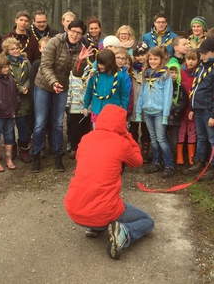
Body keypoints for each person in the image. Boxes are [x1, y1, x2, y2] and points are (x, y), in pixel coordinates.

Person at [64, 104, 154, 260]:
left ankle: (93, 227)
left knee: (96, 192)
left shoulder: (86, 138)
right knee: (148, 221)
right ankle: (124, 233)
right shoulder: (121, 142)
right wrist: (127, 135)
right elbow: (138, 161)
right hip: (104, 210)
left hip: (74, 208)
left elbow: (80, 160)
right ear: (121, 123)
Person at [32, 20, 93, 173]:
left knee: (58, 123)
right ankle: (36, 155)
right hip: (44, 85)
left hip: (62, 86)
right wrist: (53, 82)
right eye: (73, 31)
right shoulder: (54, 42)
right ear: (67, 30)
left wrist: (81, 60)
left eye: (79, 33)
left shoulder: (81, 48)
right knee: (40, 122)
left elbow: (77, 73)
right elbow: (45, 65)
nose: (75, 35)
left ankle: (58, 155)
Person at [183, 38, 214, 179]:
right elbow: (195, 89)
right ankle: (199, 161)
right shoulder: (200, 68)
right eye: (201, 53)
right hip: (198, 109)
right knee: (201, 137)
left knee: (213, 139)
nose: (203, 56)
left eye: (206, 53)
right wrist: (192, 108)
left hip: (208, 111)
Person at [135, 46, 174, 178]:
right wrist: (139, 111)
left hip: (159, 112)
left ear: (161, 59)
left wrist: (165, 115)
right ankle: (157, 162)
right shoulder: (146, 73)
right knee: (153, 139)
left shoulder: (165, 74)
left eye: (155, 59)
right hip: (147, 111)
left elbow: (168, 95)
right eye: (150, 59)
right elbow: (142, 93)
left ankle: (169, 165)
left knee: (161, 139)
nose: (152, 61)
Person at [2, 38, 32, 162]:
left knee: (23, 126)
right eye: (12, 49)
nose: (16, 50)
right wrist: (19, 88)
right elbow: (4, 79)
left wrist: (26, 87)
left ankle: (24, 149)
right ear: (7, 51)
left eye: (17, 48)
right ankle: (12, 147)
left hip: (24, 100)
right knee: (9, 127)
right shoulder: (4, 63)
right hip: (10, 99)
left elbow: (31, 76)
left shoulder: (25, 62)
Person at [83, 48, 129, 128]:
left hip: (113, 112)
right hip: (97, 111)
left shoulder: (119, 76)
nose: (100, 66)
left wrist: (124, 108)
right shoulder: (94, 76)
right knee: (97, 134)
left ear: (110, 63)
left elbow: (124, 94)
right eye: (98, 63)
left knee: (111, 135)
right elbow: (89, 92)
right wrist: (86, 106)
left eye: (102, 64)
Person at [128, 41, 151, 163]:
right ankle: (134, 151)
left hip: (147, 103)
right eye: (137, 55)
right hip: (135, 102)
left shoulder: (152, 68)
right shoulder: (131, 68)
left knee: (146, 128)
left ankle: (145, 151)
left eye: (143, 54)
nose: (140, 57)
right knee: (133, 128)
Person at [178, 49, 199, 165]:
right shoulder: (180, 71)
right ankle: (180, 155)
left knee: (192, 131)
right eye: (188, 59)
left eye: (193, 60)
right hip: (182, 107)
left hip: (193, 107)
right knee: (181, 131)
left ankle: (192, 156)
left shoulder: (199, 71)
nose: (190, 62)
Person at [166, 60, 188, 165]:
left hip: (175, 118)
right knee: (163, 139)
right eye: (171, 72)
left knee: (173, 141)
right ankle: (163, 159)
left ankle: (171, 159)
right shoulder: (163, 86)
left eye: (176, 72)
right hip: (164, 118)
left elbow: (184, 100)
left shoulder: (180, 88)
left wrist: (177, 109)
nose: (174, 75)